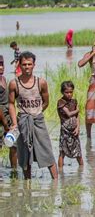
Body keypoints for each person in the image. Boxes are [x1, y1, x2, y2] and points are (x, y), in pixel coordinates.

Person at [8, 51, 58, 179]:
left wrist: (37, 113)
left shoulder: (41, 82)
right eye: (24, 64)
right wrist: (14, 123)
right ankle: (27, 184)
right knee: (25, 155)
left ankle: (56, 182)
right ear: (19, 65)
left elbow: (46, 102)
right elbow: (11, 104)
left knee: (47, 151)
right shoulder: (15, 84)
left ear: (34, 65)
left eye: (29, 64)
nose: (27, 67)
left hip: (38, 120)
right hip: (23, 121)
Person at [57, 81, 83, 168]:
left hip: (74, 131)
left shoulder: (74, 101)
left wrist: (77, 128)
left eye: (71, 92)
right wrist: (77, 110)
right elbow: (68, 114)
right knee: (62, 151)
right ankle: (60, 172)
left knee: (78, 152)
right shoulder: (61, 102)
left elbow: (77, 117)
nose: (69, 94)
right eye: (66, 92)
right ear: (62, 92)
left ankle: (81, 171)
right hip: (65, 131)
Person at [0, 55, 17, 169]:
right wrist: (5, 124)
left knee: (13, 143)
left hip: (8, 116)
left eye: (2, 64)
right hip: (1, 117)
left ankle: (14, 171)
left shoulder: (4, 79)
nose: (1, 67)